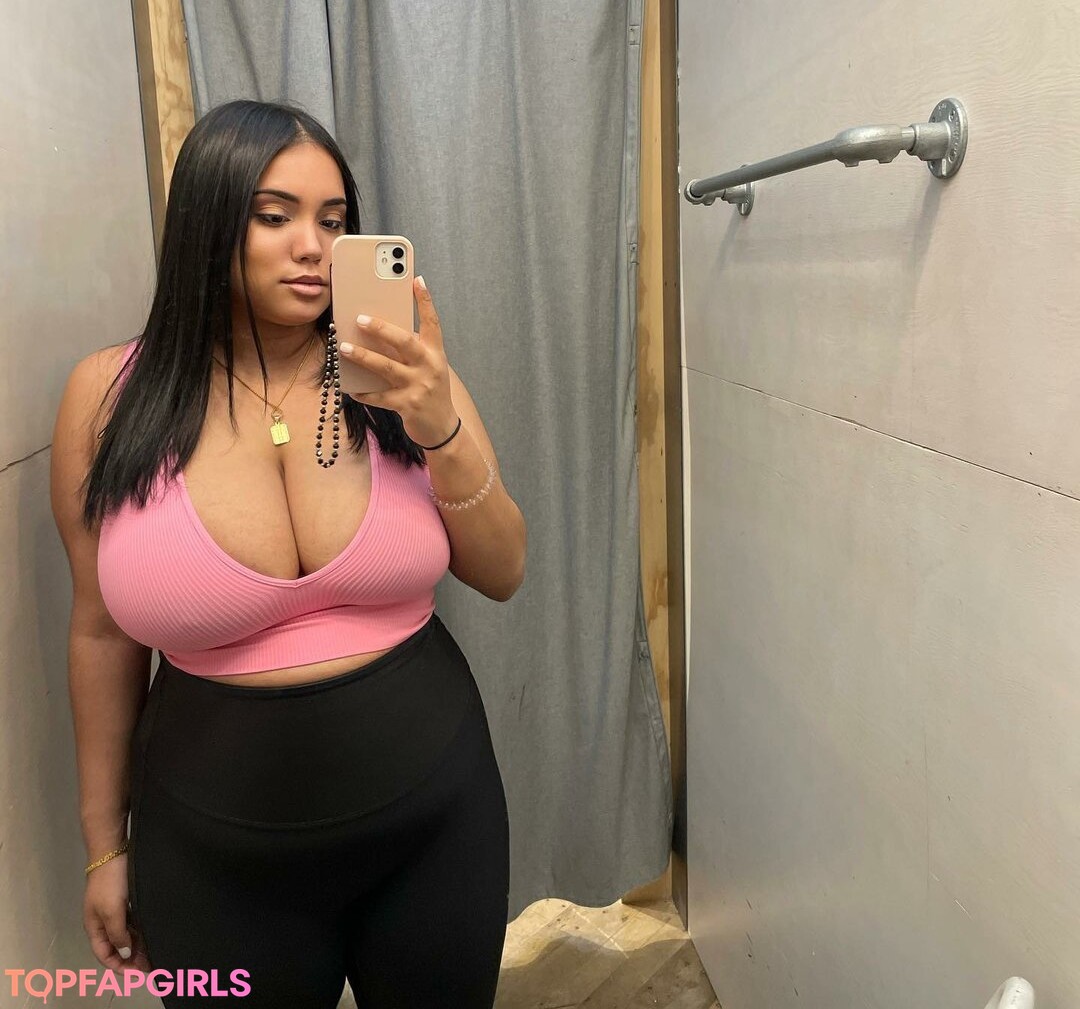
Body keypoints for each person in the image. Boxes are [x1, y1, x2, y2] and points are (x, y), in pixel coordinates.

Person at [49, 99, 527, 1008]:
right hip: (210, 852)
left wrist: (440, 425)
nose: (313, 247)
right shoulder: (108, 397)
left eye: (334, 222)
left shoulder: (400, 372)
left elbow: (504, 570)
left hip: (436, 821)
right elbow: (102, 632)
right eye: (275, 216)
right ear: (208, 219)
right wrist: (104, 846)